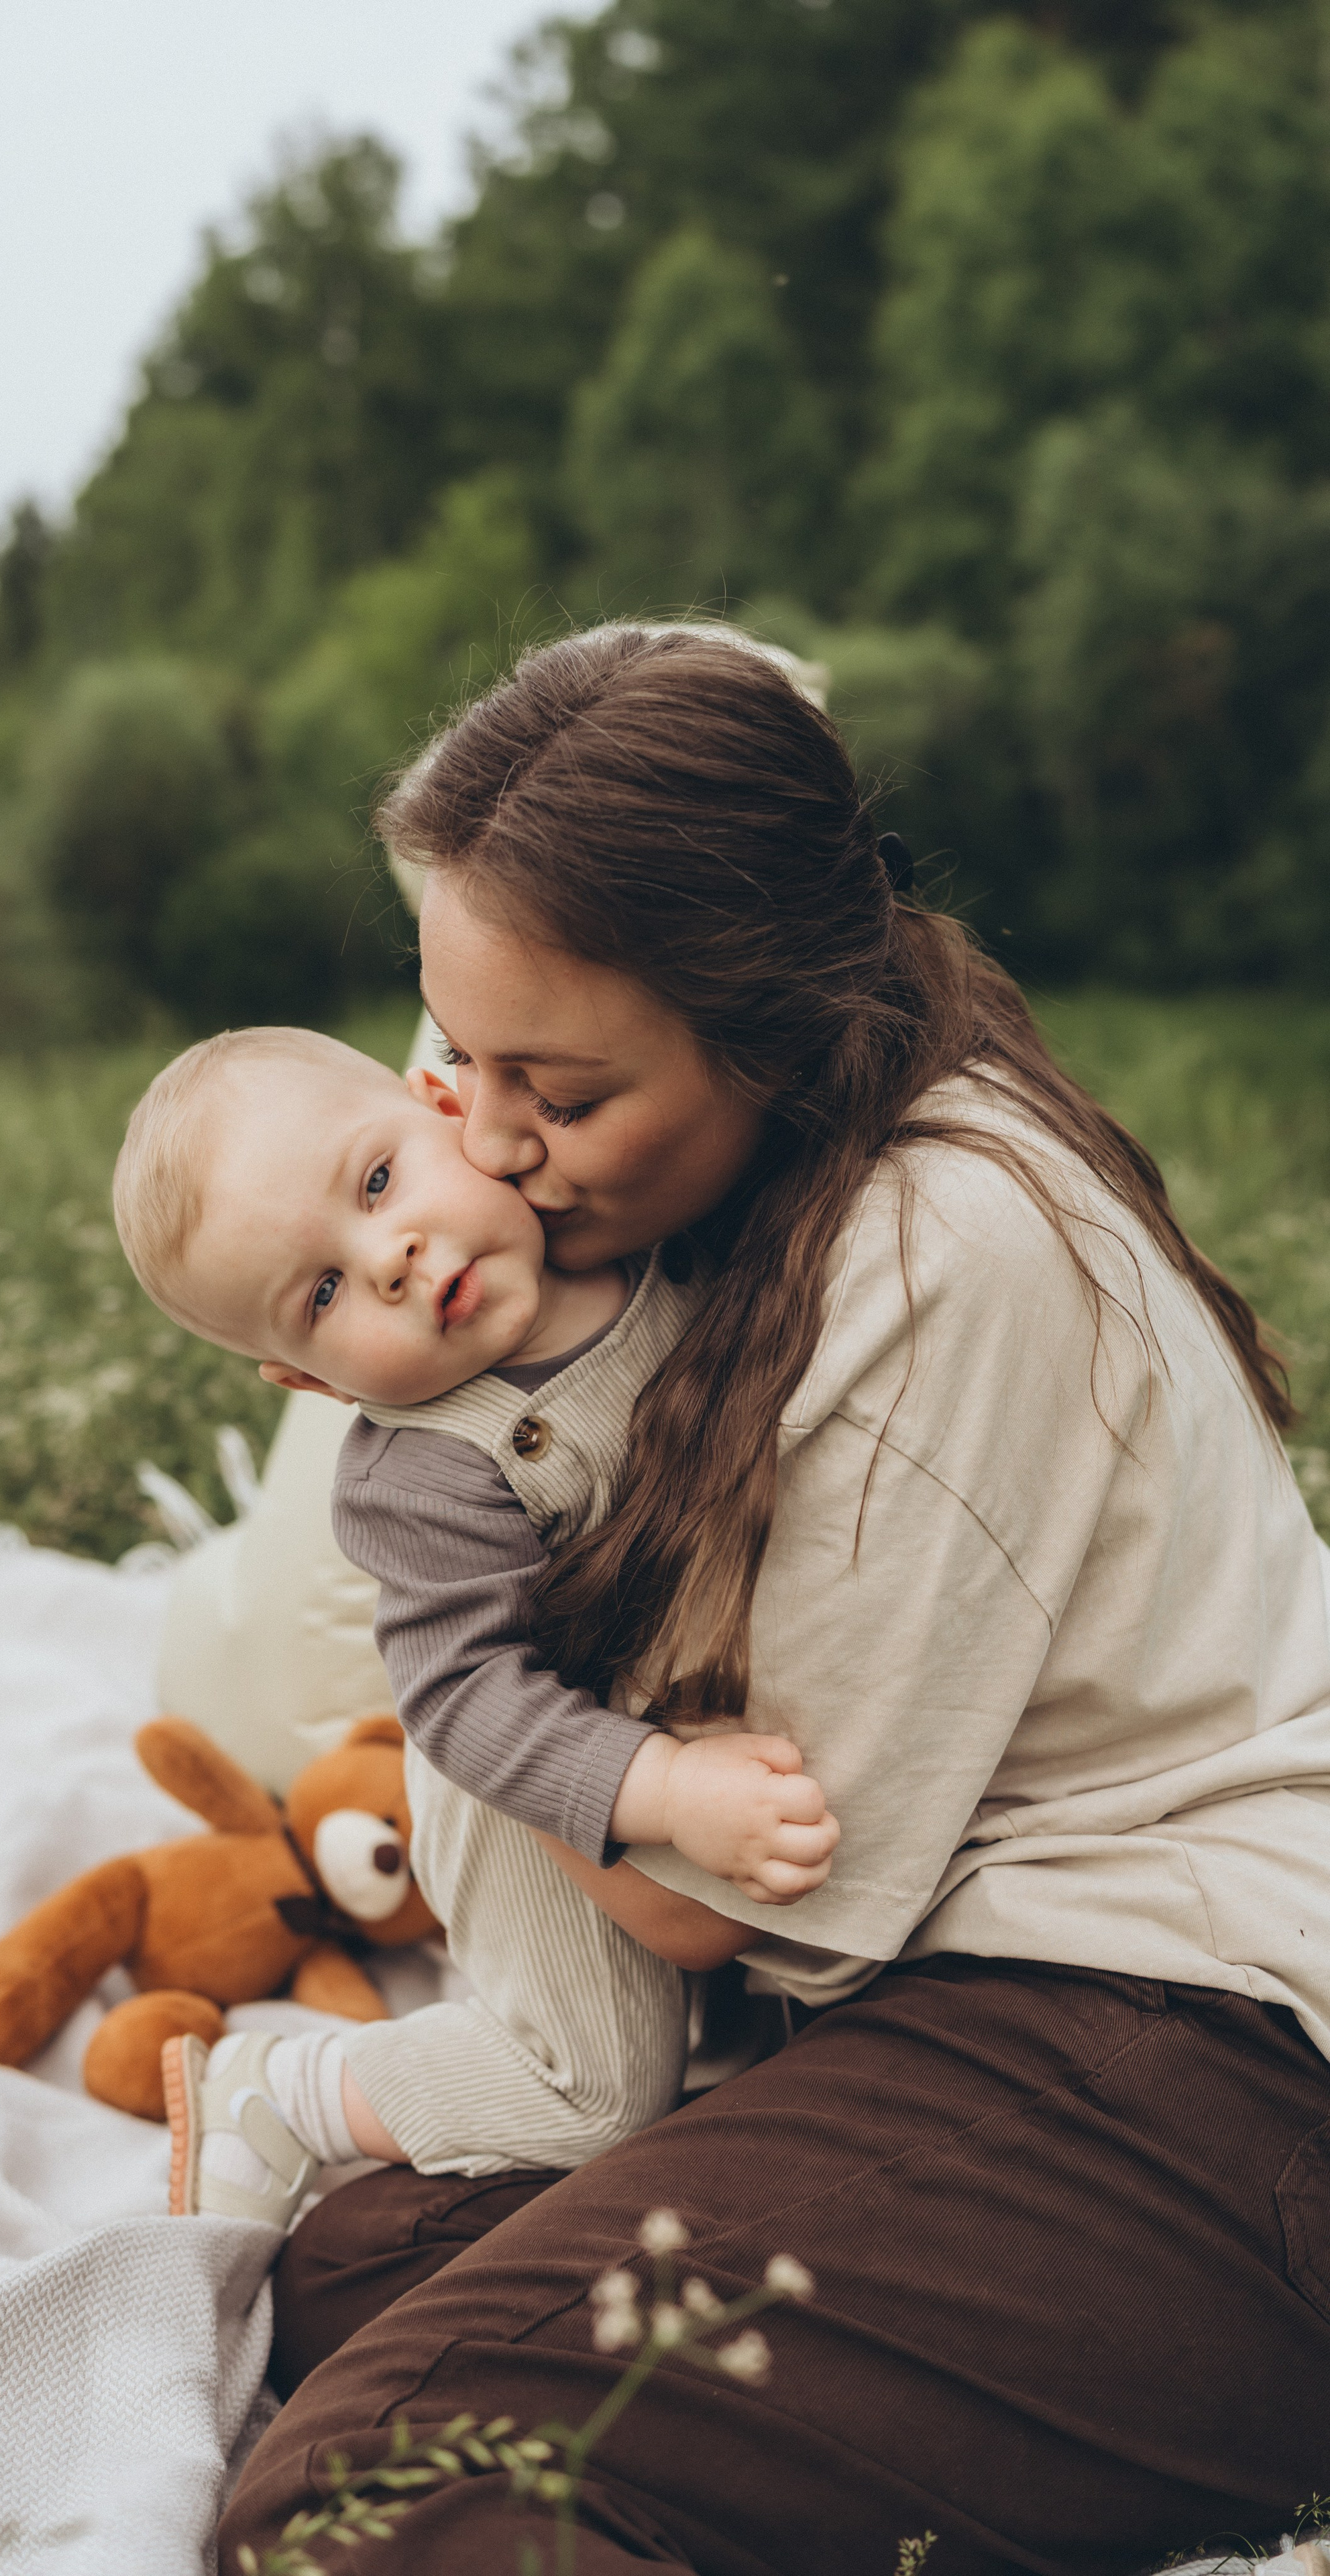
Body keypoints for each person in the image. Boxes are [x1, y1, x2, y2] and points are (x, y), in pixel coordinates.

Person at [220, 620, 1330, 2576]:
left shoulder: (947, 1246)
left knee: (367, 2497)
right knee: (338, 2283)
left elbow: (709, 1901)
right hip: (974, 1993)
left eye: (550, 1088)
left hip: (1203, 2043)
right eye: (451, 1058)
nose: (481, 1144)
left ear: (763, 1014)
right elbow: (727, 681)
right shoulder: (740, 1172)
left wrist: (512, 1726)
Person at [112, 1026, 839, 2221]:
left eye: (379, 1181)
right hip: (538, 1799)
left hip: (688, 1723)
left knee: (739, 2033)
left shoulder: (657, 1240)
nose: (390, 1257)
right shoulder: (421, 1480)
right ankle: (288, 2088)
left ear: (446, 1106)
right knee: (597, 2095)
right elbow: (465, 1701)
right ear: (310, 1382)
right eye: (328, 1292)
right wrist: (663, 1792)